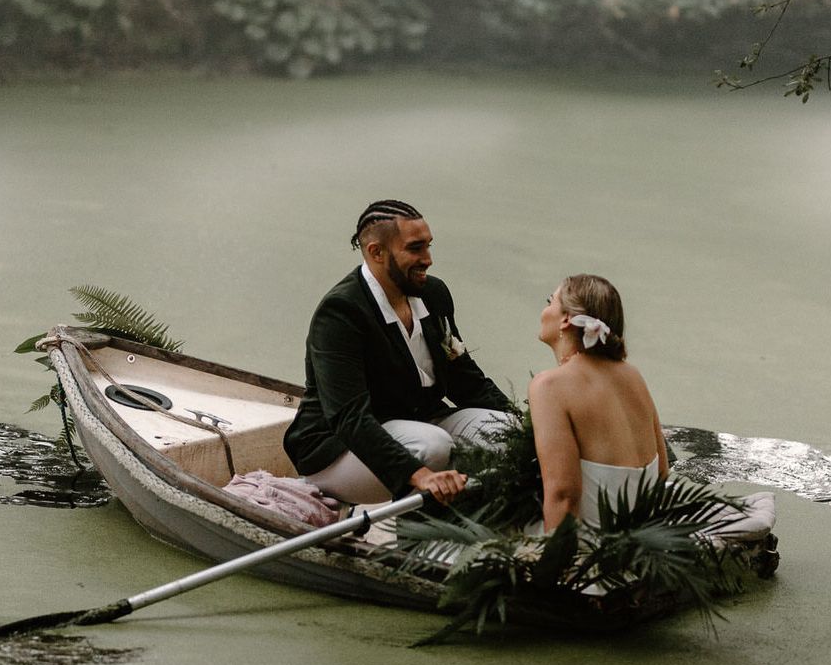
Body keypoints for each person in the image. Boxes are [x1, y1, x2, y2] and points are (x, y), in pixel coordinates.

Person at [284, 199, 513, 505]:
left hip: (421, 424)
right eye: (415, 248)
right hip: (339, 450)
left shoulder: (433, 293)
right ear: (376, 252)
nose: (428, 259)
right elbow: (349, 417)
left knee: (506, 433)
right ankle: (413, 539)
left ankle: (470, 524)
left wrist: (531, 428)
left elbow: (465, 380)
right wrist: (420, 475)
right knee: (433, 447)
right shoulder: (340, 312)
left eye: (429, 247)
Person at [528, 273, 669, 534]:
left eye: (550, 301)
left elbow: (563, 494)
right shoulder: (632, 375)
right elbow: (661, 472)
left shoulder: (549, 386)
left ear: (566, 319)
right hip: (644, 540)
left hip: (591, 547)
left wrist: (558, 569)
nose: (544, 309)